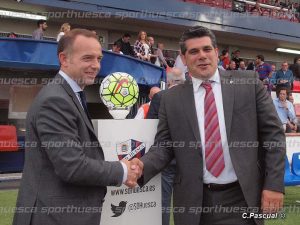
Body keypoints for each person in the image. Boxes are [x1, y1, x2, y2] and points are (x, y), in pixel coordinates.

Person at [136, 26, 285, 225]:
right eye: (194, 51)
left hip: (243, 198)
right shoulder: (170, 99)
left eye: (207, 49)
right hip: (194, 203)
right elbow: (164, 147)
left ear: (216, 52)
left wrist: (274, 184)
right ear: (184, 57)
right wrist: (140, 167)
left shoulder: (248, 83)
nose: (202, 56)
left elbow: (273, 135)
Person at [12, 29, 141, 225]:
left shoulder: (71, 94)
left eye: (99, 58)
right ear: (64, 59)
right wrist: (122, 171)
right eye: (87, 58)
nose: (96, 65)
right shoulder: (56, 99)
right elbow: (71, 166)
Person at [147, 67, 185, 225]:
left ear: (168, 81)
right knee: (187, 201)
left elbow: (149, 126)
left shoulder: (160, 97)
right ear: (183, 80)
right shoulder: (193, 97)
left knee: (164, 200)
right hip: (190, 158)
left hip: (166, 158)